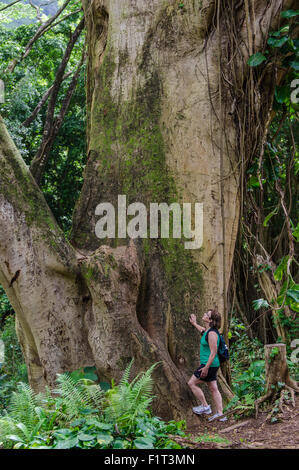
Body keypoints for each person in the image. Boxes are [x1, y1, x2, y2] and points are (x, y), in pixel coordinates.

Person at [188, 309, 227, 422]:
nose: (204, 314)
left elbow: (213, 352)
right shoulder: (209, 331)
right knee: (213, 388)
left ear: (210, 320)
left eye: (207, 314)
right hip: (212, 365)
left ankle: (205, 406)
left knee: (192, 383)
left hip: (208, 364)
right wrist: (194, 323)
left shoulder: (212, 334)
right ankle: (220, 414)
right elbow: (203, 331)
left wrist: (205, 368)